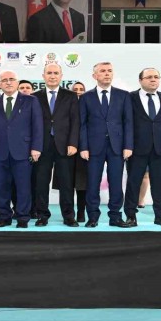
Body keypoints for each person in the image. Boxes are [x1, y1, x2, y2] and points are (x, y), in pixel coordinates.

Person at [0, 70, 43, 228]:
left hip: (23, 150)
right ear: (0, 84)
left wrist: (36, 147)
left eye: (11, 79)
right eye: (4, 80)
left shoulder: (31, 101)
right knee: (1, 187)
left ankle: (23, 218)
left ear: (17, 82)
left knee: (23, 187)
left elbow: (37, 126)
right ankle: (4, 217)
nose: (8, 82)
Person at [79, 62, 133, 228]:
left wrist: (128, 145)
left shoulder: (123, 95)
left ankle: (115, 217)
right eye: (102, 71)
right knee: (92, 184)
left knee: (116, 183)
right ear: (94, 76)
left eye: (109, 71)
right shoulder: (86, 97)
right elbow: (82, 124)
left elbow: (128, 122)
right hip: (93, 147)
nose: (107, 73)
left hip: (117, 147)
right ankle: (92, 217)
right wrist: (83, 147)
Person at [123, 68, 161, 227]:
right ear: (140, 80)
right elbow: (125, 123)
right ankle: (130, 216)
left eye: (156, 77)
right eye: (149, 77)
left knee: (159, 183)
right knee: (133, 183)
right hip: (136, 148)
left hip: (160, 148)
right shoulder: (130, 98)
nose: (153, 79)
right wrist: (127, 145)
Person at [33, 63, 79, 227]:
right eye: (49, 73)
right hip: (42, 146)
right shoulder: (34, 97)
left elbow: (75, 121)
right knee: (41, 182)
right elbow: (32, 123)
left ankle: (68, 216)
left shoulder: (71, 96)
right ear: (43, 76)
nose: (52, 76)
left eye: (56, 73)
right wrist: (33, 146)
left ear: (61, 76)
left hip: (65, 146)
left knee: (66, 183)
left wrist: (73, 143)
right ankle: (42, 215)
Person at [70, 82, 87, 221]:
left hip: (84, 150)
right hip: (67, 149)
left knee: (82, 185)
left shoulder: (88, 105)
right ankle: (69, 214)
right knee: (67, 184)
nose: (78, 91)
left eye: (81, 89)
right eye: (75, 89)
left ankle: (81, 212)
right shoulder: (66, 105)